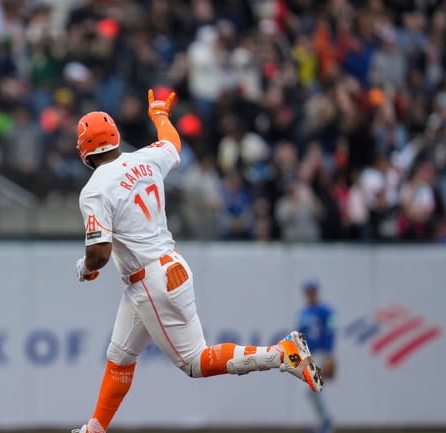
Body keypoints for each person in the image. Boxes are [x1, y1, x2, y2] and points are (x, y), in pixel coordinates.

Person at [72, 90, 324, 433]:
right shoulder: (144, 159)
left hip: (150, 282)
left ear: (85, 149)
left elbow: (99, 254)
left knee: (195, 363)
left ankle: (282, 354)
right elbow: (172, 144)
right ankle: (95, 428)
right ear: (115, 137)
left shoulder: (95, 189)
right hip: (163, 268)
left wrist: (85, 268)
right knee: (119, 355)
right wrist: (160, 115)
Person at [299, 280, 337, 433]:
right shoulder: (303, 312)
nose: (310, 294)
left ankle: (326, 423)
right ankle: (324, 422)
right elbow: (299, 334)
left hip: (321, 353)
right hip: (309, 354)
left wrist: (330, 354)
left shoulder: (326, 311)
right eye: (308, 291)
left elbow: (332, 331)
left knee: (312, 389)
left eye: (313, 291)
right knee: (311, 391)